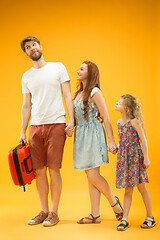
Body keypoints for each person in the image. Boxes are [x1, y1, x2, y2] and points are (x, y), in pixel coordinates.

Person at [19, 36, 74, 227]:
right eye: (28, 47)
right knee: (39, 171)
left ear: (40, 46)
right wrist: (22, 131)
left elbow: (67, 94)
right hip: (35, 127)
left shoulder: (58, 67)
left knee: (54, 169)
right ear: (26, 53)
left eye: (34, 44)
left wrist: (71, 120)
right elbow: (26, 105)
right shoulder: (26, 76)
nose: (32, 48)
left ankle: (54, 212)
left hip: (56, 124)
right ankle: (43, 211)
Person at [73, 60, 123, 224]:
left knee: (93, 175)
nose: (78, 70)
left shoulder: (95, 92)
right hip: (81, 135)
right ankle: (95, 214)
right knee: (90, 175)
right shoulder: (79, 93)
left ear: (90, 73)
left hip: (93, 134)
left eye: (82, 69)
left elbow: (106, 117)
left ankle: (114, 203)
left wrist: (112, 141)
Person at [115, 94, 156, 231]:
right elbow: (123, 142)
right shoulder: (119, 123)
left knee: (142, 188)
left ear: (126, 109)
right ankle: (125, 219)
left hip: (135, 159)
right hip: (125, 160)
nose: (116, 103)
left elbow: (143, 140)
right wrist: (118, 148)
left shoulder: (134, 122)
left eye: (119, 103)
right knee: (128, 189)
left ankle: (150, 217)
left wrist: (146, 158)